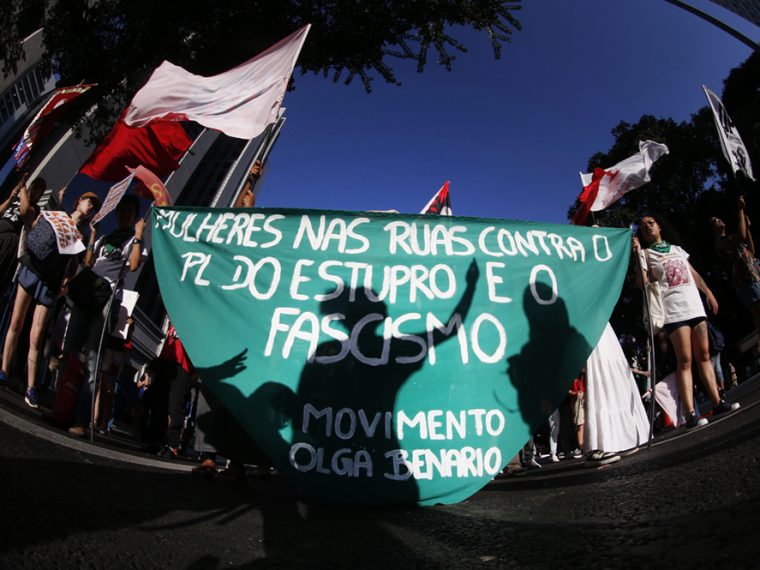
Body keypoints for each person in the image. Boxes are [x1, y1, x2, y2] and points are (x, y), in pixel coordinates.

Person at [634, 214, 739, 429]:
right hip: (673, 310)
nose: (647, 227)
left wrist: (708, 291)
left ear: (659, 226)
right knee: (685, 360)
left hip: (694, 305)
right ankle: (690, 413)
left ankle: (718, 402)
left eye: (650, 223)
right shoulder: (645, 254)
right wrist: (636, 255)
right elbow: (641, 284)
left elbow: (693, 273)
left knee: (705, 356)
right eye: (643, 226)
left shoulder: (677, 250)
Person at [0, 190, 101, 408]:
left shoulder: (80, 233)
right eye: (88, 201)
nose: (91, 206)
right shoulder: (58, 215)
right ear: (79, 201)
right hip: (32, 269)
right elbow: (34, 223)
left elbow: (79, 266)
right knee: (15, 323)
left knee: (36, 338)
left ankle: (31, 387)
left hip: (49, 284)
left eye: (94, 205)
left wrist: (90, 239)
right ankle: (4, 371)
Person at [65, 194, 145, 436]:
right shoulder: (104, 238)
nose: (124, 215)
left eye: (130, 212)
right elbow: (89, 262)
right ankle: (62, 409)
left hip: (107, 299)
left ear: (134, 217)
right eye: (122, 211)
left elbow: (133, 266)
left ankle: (81, 419)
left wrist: (140, 236)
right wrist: (91, 237)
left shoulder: (133, 240)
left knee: (92, 360)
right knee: (71, 351)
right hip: (87, 293)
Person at [712, 195, 760, 336]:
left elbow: (751, 251)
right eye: (715, 221)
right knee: (758, 311)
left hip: (755, 275)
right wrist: (740, 210)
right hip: (747, 282)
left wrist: (747, 226)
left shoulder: (731, 239)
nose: (718, 220)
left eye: (718, 218)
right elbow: (741, 236)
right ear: (713, 230)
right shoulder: (721, 242)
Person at [0, 174, 47, 296]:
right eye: (35, 187)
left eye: (39, 191)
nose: (35, 191)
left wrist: (22, 189)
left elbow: (25, 212)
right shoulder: (16, 200)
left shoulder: (35, 209)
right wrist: (11, 198)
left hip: (10, 239)